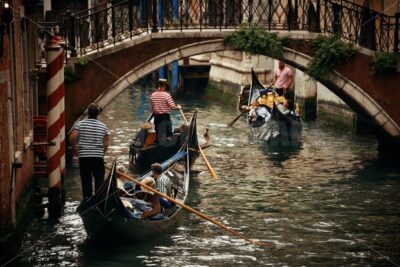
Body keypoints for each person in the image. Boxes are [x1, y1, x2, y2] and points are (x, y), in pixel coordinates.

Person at [69, 103, 109, 200]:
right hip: (98, 157)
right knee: (99, 178)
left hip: (84, 156)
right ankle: (98, 200)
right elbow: (106, 144)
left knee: (86, 178)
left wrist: (75, 150)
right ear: (98, 114)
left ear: (88, 113)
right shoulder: (103, 127)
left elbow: (72, 138)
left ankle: (88, 199)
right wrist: (101, 153)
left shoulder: (80, 124)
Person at [150, 78, 181, 143]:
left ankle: (158, 142)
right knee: (168, 134)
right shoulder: (167, 95)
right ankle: (167, 144)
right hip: (165, 117)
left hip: (156, 117)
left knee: (158, 132)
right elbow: (173, 107)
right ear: (164, 86)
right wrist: (178, 107)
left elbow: (153, 108)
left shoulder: (152, 95)